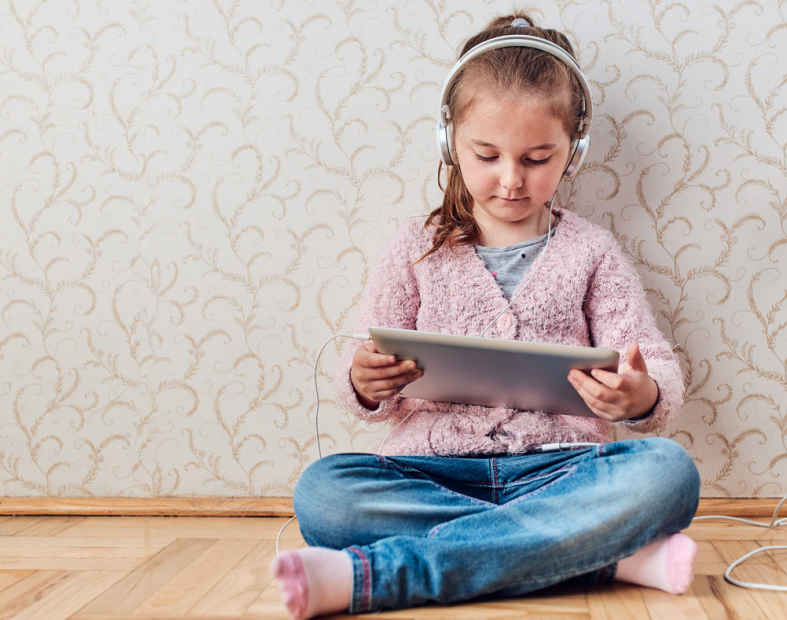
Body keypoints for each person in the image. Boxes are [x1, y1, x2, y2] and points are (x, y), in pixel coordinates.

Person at [270, 14, 700, 619]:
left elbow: (651, 364)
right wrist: (363, 384)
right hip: (431, 474)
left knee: (668, 473)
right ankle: (599, 556)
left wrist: (641, 393)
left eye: (537, 158)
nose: (511, 179)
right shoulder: (414, 249)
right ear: (451, 145)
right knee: (325, 495)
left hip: (562, 470)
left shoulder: (592, 252)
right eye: (488, 154)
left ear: (573, 152)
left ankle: (382, 576)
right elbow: (363, 373)